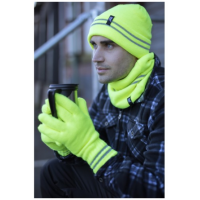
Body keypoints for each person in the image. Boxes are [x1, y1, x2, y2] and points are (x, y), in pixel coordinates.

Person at [38, 4, 164, 198]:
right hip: (115, 180)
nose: (95, 57)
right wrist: (67, 146)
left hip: (139, 189)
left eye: (109, 45)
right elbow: (91, 156)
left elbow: (158, 189)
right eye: (94, 45)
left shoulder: (164, 95)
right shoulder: (111, 88)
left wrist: (89, 145)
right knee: (54, 171)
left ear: (135, 49)